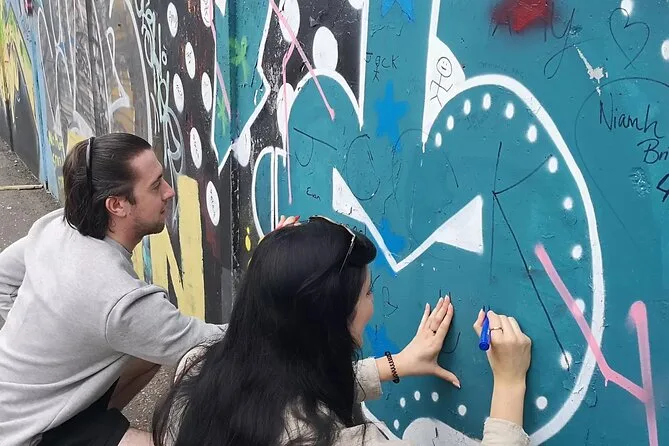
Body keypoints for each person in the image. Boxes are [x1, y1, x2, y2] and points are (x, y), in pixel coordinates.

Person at [152, 216, 532, 445]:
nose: (373, 304)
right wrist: (510, 382)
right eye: (367, 293)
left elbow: (282, 386)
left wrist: (396, 364)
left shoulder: (196, 367)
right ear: (331, 324)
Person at [0, 133, 230, 446]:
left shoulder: (57, 228)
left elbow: (3, 277)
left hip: (22, 405)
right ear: (117, 205)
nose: (169, 191)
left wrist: (38, 341)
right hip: (25, 436)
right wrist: (269, 273)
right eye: (156, 186)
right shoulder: (118, 300)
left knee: (148, 352)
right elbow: (219, 344)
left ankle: (84, 415)